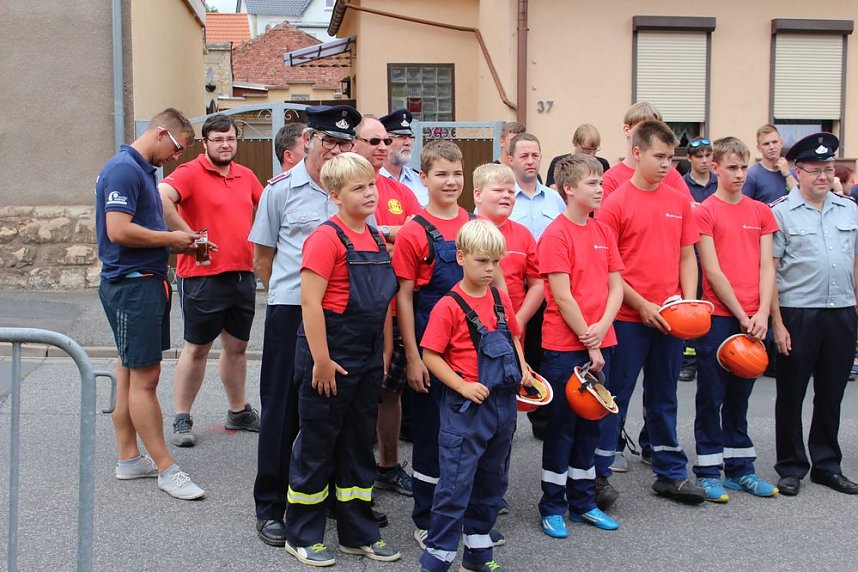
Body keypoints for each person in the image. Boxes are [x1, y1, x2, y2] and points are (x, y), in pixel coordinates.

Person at [248, 105, 362, 547]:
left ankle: (325, 496)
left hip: (340, 315)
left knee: (331, 410)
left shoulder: (353, 190)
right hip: (291, 310)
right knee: (282, 409)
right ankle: (271, 505)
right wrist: (290, 298)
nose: (335, 150)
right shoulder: (280, 191)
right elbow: (263, 258)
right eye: (329, 140)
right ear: (309, 139)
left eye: (344, 142)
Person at [284, 152, 401, 567]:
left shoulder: (375, 239)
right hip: (329, 358)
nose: (369, 193)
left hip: (367, 357)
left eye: (371, 185)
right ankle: (303, 535)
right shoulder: (325, 238)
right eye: (358, 188)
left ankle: (358, 532)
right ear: (335, 195)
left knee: (357, 446)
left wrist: (384, 351)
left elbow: (382, 302)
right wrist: (320, 361)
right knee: (317, 447)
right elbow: (310, 304)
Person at [95, 108, 205, 500]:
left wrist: (180, 235)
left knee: (129, 371)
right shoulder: (125, 169)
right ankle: (166, 468)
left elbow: (141, 224)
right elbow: (118, 230)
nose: (176, 157)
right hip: (133, 285)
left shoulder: (141, 170)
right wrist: (171, 242)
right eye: (177, 148)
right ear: (161, 133)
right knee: (146, 378)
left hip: (142, 282)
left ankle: (129, 458)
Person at [595, 120, 705, 504]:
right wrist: (641, 304)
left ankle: (670, 473)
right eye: (659, 156)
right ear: (637, 152)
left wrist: (686, 303)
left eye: (671, 158)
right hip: (627, 319)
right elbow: (609, 270)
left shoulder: (678, 201)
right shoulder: (615, 204)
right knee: (615, 396)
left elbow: (687, 255)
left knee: (664, 396)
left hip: (671, 318)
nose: (667, 165)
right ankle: (598, 474)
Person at [418, 219, 532, 572]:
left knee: (492, 482)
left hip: (502, 406)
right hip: (465, 409)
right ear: (462, 257)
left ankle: (478, 555)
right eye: (483, 261)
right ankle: (437, 558)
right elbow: (430, 355)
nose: (490, 269)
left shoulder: (499, 297)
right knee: (455, 485)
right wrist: (461, 385)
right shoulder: (449, 305)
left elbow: (513, 335)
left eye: (496, 262)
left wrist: (524, 367)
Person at [159, 114, 264, 447]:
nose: (225, 145)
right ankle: (181, 417)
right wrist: (187, 234)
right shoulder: (190, 172)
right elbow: (161, 196)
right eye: (218, 140)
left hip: (241, 274)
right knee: (198, 348)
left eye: (230, 139)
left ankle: (238, 410)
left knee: (237, 348)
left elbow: (269, 208)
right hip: (203, 276)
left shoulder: (246, 176)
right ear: (206, 143)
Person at [392, 140, 475, 549]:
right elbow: (405, 296)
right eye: (441, 174)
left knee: (469, 438)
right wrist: (412, 356)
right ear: (423, 179)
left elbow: (492, 292)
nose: (451, 181)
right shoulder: (413, 231)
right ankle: (426, 518)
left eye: (457, 173)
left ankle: (466, 517)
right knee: (431, 437)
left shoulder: (475, 227)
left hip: (474, 355)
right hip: (431, 351)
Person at [537, 154, 624, 538]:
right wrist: (590, 340)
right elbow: (562, 294)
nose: (600, 189)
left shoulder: (602, 230)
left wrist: (602, 328)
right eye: (592, 183)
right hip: (565, 347)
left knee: (592, 425)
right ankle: (552, 506)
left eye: (602, 182)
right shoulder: (556, 234)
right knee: (562, 429)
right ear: (569, 189)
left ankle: (583, 502)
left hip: (601, 342)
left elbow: (616, 285)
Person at [691, 137, 779, 502]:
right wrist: (742, 314)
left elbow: (767, 266)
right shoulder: (705, 211)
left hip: (754, 319)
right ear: (716, 168)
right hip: (722, 318)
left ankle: (741, 469)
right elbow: (711, 270)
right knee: (712, 395)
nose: (739, 174)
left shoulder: (761, 212)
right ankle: (709, 471)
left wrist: (761, 314)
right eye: (731, 167)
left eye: (744, 167)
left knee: (741, 397)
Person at [770, 132, 858, 496]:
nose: (823, 176)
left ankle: (826, 464)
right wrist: (777, 323)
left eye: (828, 169)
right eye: (814, 170)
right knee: (791, 393)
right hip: (797, 313)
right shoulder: (780, 211)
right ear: (797, 171)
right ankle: (791, 466)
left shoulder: (849, 209)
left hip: (840, 312)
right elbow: (770, 272)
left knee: (832, 392)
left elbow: (854, 263)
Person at [353, 115, 421, 497]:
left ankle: (388, 466)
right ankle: (355, 470)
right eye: (373, 141)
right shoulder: (343, 184)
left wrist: (390, 237)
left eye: (385, 141)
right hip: (357, 311)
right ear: (356, 143)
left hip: (395, 306)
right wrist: (391, 236)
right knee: (358, 394)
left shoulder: (399, 190)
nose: (381, 147)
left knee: (389, 391)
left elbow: (412, 238)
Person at [472, 163, 543, 335]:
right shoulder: (466, 230)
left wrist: (519, 320)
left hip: (514, 330)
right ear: (478, 194)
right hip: (472, 325)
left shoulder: (523, 234)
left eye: (511, 192)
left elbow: (538, 284)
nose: (506, 196)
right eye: (498, 190)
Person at [678, 137, 719, 383]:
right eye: (699, 156)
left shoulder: (719, 182)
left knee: (713, 308)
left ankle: (710, 358)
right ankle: (688, 361)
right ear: (690, 159)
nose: (705, 160)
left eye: (708, 155)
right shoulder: (682, 185)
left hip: (716, 255)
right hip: (690, 254)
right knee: (691, 306)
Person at [601, 102, 691, 199]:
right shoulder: (611, 179)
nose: (650, 135)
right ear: (627, 130)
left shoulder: (669, 174)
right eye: (644, 129)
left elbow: (690, 209)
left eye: (656, 130)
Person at [506, 133, 566, 241]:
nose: (530, 161)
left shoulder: (555, 198)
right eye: (524, 156)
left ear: (540, 158)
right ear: (511, 160)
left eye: (535, 155)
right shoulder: (500, 198)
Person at [380, 108, 429, 206]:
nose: (408, 143)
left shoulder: (419, 180)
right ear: (385, 141)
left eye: (410, 137)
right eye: (401, 137)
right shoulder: (370, 181)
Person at [742, 124, 798, 205]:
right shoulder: (752, 175)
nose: (771, 147)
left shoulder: (793, 173)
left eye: (775, 142)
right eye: (766, 144)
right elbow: (744, 205)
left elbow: (801, 199)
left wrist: (788, 175)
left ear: (781, 143)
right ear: (759, 148)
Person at [545, 123, 611, 189]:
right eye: (586, 149)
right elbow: (553, 190)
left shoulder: (603, 164)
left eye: (595, 149)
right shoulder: (560, 162)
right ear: (574, 142)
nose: (591, 154)